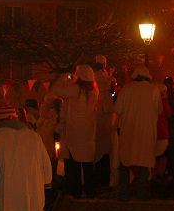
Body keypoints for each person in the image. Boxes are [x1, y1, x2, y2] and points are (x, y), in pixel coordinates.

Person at [114, 66, 162, 200]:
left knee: (125, 163)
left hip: (129, 131)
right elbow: (159, 110)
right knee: (144, 164)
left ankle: (124, 194)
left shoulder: (126, 89)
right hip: (146, 132)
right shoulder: (154, 90)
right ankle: (141, 195)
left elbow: (117, 109)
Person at [53, 65, 99, 198]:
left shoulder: (76, 89)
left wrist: (63, 78)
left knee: (73, 163)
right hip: (88, 131)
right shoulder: (94, 90)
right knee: (87, 163)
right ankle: (91, 192)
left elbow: (57, 90)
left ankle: (75, 192)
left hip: (74, 132)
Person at [93, 55, 116, 187]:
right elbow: (108, 109)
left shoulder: (94, 92)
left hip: (98, 125)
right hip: (103, 126)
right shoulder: (104, 93)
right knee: (104, 153)